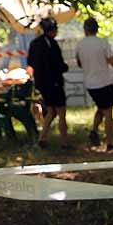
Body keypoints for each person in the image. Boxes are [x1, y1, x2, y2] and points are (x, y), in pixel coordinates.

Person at [75, 17, 113, 151]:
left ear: (85, 30)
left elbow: (79, 63)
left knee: (101, 107)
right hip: (104, 82)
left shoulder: (80, 45)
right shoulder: (102, 43)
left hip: (90, 83)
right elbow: (112, 62)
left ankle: (94, 131)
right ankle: (110, 143)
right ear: (97, 29)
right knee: (108, 113)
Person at [26, 17, 68, 147]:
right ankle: (64, 142)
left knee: (51, 111)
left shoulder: (34, 43)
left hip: (42, 83)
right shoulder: (52, 44)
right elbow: (58, 64)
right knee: (61, 112)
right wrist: (64, 68)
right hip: (54, 82)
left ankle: (42, 138)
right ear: (52, 30)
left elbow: (30, 63)